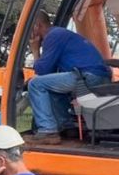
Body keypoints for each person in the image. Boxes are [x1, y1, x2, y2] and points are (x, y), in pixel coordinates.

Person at [26, 11, 111, 144]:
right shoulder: (61, 34)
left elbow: (43, 71)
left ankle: (47, 130)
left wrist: (35, 50)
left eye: (29, 28)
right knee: (51, 88)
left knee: (35, 84)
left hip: (87, 76)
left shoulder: (53, 36)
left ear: (37, 26)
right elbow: (50, 75)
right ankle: (67, 126)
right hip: (97, 75)